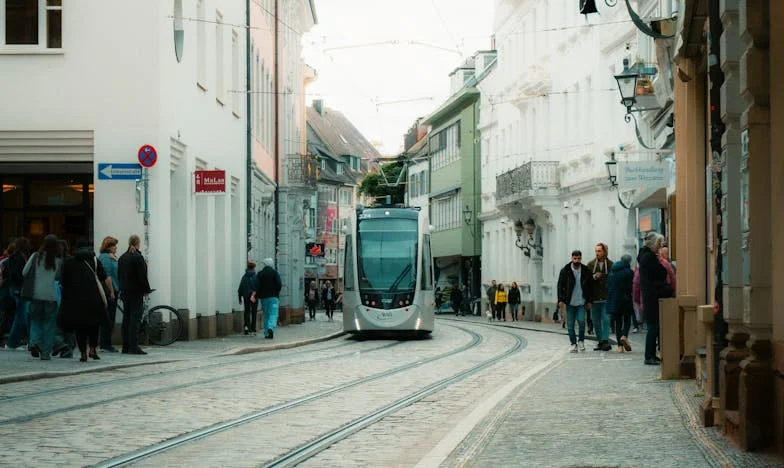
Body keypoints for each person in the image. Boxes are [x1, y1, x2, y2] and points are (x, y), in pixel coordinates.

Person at [60, 239, 115, 362]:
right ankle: (92, 350)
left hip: (76, 299)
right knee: (94, 325)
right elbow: (105, 277)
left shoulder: (69, 262)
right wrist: (111, 292)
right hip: (94, 298)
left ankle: (83, 353)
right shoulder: (95, 260)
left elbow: (63, 281)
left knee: (80, 327)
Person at [23, 235, 63, 360]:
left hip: (35, 294)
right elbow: (57, 278)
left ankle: (34, 342)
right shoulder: (57, 261)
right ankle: (45, 354)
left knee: (35, 320)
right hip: (51, 296)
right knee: (49, 324)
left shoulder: (35, 256)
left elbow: (24, 272)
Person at [638, 232, 674, 365]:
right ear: (654, 244)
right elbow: (661, 272)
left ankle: (651, 355)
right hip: (652, 296)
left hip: (649, 295)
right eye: (659, 243)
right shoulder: (650, 257)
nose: (660, 246)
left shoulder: (644, 256)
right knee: (653, 327)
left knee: (653, 326)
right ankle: (649, 356)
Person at [118, 235, 152, 355]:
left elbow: (119, 275)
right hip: (136, 292)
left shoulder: (122, 257)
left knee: (126, 318)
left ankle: (125, 346)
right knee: (135, 319)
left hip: (125, 292)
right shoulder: (138, 257)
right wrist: (146, 289)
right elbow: (142, 276)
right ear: (137, 243)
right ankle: (134, 346)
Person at [557, 250, 594, 353]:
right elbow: (560, 285)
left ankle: (581, 341)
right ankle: (573, 344)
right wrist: (560, 299)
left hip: (581, 302)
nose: (576, 261)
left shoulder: (586, 270)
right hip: (570, 302)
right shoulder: (565, 270)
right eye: (575, 258)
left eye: (578, 259)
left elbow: (591, 287)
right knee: (570, 324)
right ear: (572, 258)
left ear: (581, 258)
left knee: (582, 321)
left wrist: (590, 300)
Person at [5, 237, 31, 350]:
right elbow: (17, 274)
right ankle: (12, 342)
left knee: (21, 316)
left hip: (15, 287)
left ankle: (14, 342)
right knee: (21, 316)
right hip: (18, 288)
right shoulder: (18, 257)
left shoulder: (14, 256)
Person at [586, 243, 614, 351]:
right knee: (596, 320)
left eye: (599, 251)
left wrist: (604, 277)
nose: (597, 253)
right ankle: (600, 341)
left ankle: (605, 340)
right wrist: (594, 277)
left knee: (606, 319)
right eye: (596, 251)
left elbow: (613, 280)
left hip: (606, 296)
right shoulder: (590, 265)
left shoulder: (611, 264)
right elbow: (586, 281)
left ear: (604, 252)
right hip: (595, 297)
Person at [607, 254, 634, 353]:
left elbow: (608, 286)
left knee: (618, 322)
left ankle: (619, 347)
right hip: (625, 298)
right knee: (627, 319)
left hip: (614, 299)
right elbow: (632, 286)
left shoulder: (612, 272)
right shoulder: (629, 272)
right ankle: (624, 336)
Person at [98, 236, 120, 352]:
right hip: (109, 291)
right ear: (109, 247)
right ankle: (105, 344)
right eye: (114, 245)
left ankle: (107, 343)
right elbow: (107, 276)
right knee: (108, 318)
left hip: (115, 289)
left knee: (110, 317)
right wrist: (111, 291)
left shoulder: (111, 257)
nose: (116, 247)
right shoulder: (105, 258)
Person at [252, 258, 282, 339]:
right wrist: (276, 292)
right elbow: (279, 284)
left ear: (265, 264)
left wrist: (255, 295)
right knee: (273, 313)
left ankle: (266, 333)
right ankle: (270, 328)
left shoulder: (260, 274)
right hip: (273, 297)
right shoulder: (275, 273)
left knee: (266, 314)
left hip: (263, 298)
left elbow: (256, 285)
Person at [238, 262, 258, 335]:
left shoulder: (244, 277)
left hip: (246, 297)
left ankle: (246, 327)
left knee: (246, 312)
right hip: (254, 296)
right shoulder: (256, 276)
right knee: (254, 312)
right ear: (254, 268)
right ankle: (253, 329)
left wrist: (239, 298)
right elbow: (257, 287)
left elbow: (240, 288)